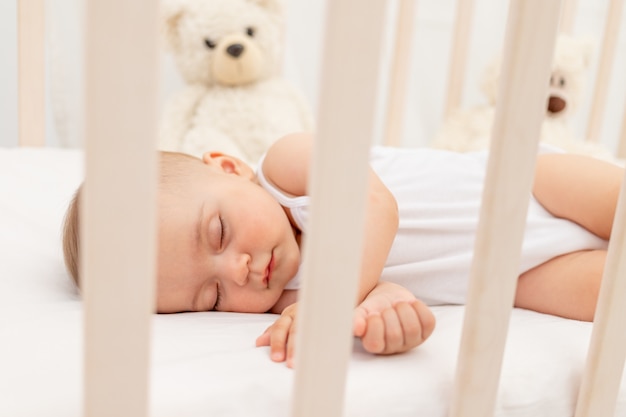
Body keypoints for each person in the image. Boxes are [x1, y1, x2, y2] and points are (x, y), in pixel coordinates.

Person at [62, 132, 624, 367]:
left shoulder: (287, 168)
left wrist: (333, 304)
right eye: (211, 296)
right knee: (611, 297)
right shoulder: (289, 303)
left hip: (528, 186)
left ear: (229, 168)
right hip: (514, 276)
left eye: (217, 233)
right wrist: (384, 312)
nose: (239, 271)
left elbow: (374, 208)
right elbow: (380, 285)